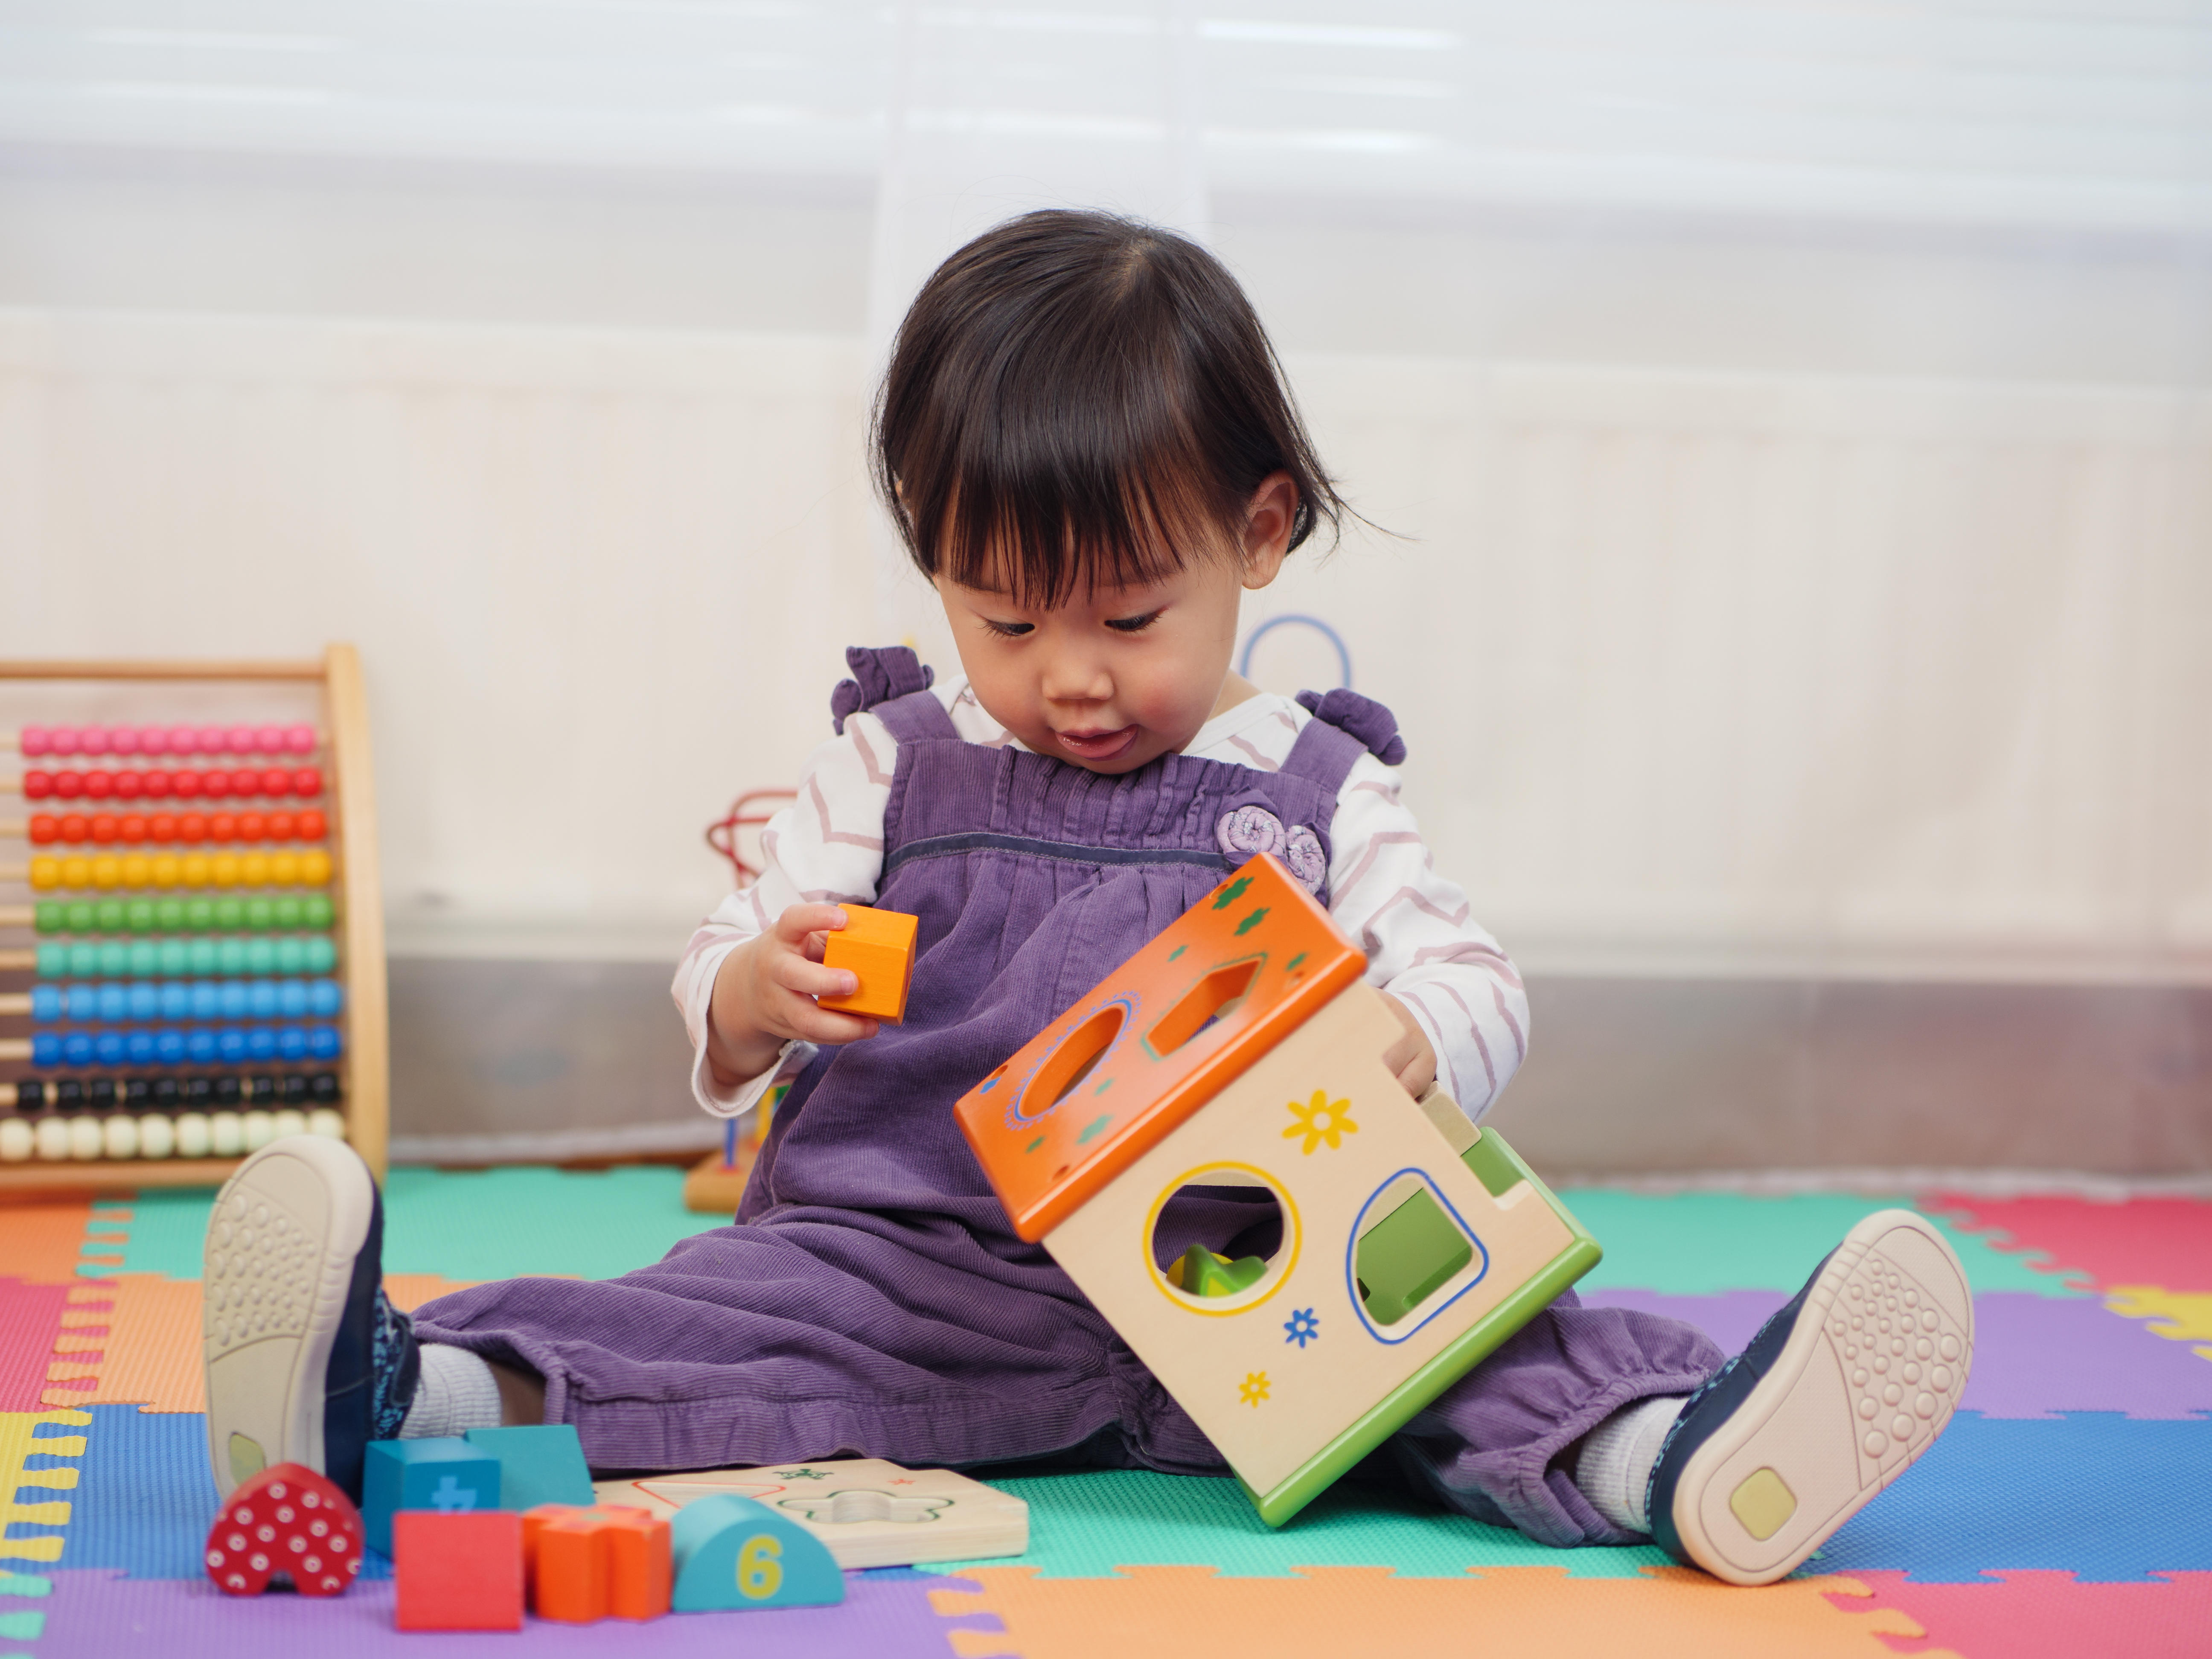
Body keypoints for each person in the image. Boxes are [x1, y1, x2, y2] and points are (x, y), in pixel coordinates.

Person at [201, 209, 1970, 1586]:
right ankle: (402, 1401)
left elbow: (1474, 970)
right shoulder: (893, 760)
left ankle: (1679, 1460)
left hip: (1260, 1283)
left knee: (1491, 1339)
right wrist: (748, 991)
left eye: (1131, 619)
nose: (1072, 678)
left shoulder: (1315, 787)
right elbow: (726, 966)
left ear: (1260, 534)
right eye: (1006, 617)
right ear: (932, 558)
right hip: (916, 1260)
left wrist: (1415, 1034)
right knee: (707, 1332)